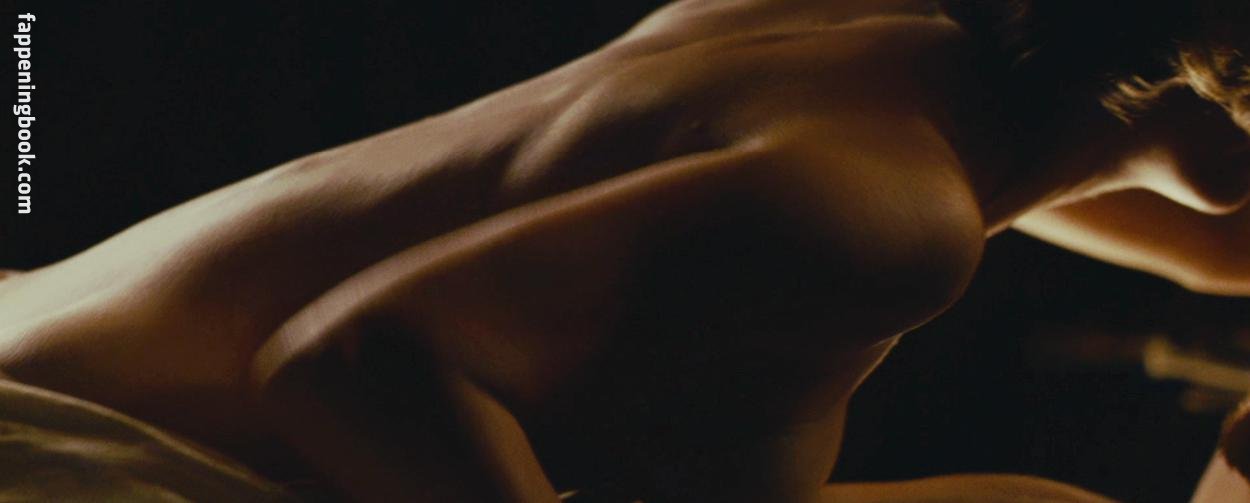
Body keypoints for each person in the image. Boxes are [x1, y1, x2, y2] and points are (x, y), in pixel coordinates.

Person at [0, 0, 1247, 501]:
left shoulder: (890, 56)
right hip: (85, 458)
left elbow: (1222, 249)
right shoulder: (891, 216)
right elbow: (352, 356)